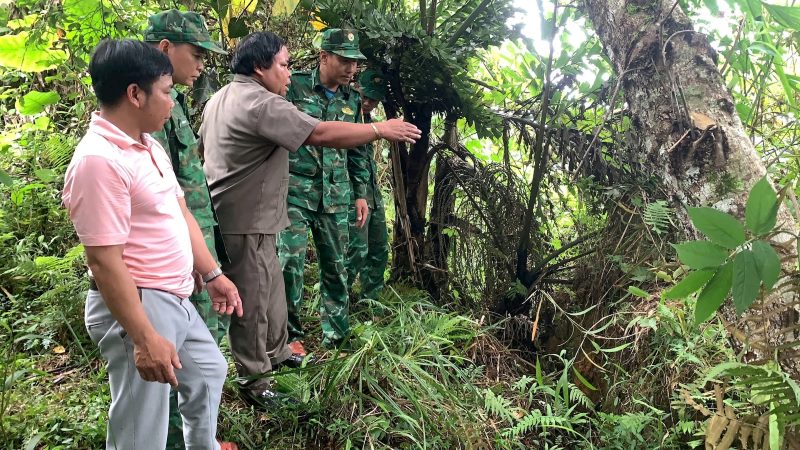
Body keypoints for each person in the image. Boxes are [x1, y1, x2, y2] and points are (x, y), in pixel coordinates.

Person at [199, 31, 420, 409]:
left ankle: (278, 351)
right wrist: (379, 129)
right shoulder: (261, 103)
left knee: (271, 293)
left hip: (255, 216)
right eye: (283, 65)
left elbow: (205, 149)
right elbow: (317, 132)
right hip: (246, 218)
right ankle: (256, 381)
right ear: (259, 66)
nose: (288, 73)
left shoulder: (221, 96)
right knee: (251, 303)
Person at [62, 39, 242, 450]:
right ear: (134, 94)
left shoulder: (148, 145)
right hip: (140, 303)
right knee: (141, 428)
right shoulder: (99, 161)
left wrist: (212, 273)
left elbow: (180, 214)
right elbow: (104, 261)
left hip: (174, 297)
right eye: (165, 91)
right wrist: (143, 338)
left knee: (209, 371)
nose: (171, 100)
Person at [143, 10, 236, 450]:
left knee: (204, 357)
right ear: (165, 49)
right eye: (196, 54)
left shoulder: (172, 99)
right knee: (177, 357)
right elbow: (158, 200)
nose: (202, 65)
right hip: (171, 258)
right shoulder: (147, 107)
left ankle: (200, 440)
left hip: (193, 244)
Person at [278, 28, 370, 353]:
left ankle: (337, 337)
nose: (351, 69)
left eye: (355, 62)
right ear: (324, 57)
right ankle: (289, 337)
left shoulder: (353, 100)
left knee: (337, 266)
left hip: (336, 195)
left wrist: (361, 193)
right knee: (290, 264)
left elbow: (359, 150)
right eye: (344, 61)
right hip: (294, 192)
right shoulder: (294, 86)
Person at [346, 68, 389, 304]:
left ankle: (370, 301)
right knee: (355, 251)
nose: (368, 102)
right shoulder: (344, 116)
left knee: (379, 248)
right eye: (364, 96)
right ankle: (336, 301)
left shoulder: (368, 119)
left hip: (372, 193)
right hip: (352, 194)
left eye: (373, 99)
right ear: (355, 88)